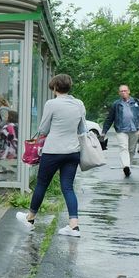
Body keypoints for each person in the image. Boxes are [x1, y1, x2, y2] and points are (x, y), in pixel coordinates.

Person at [17, 74, 85, 237]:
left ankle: (30, 218)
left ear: (55, 88)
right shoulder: (79, 104)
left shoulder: (52, 104)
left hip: (53, 151)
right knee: (68, 187)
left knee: (42, 184)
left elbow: (43, 129)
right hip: (73, 151)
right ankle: (74, 226)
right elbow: (82, 128)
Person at [101, 84, 139, 177]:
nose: (123, 92)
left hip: (134, 129)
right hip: (121, 130)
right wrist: (104, 132)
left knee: (131, 150)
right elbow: (109, 119)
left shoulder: (136, 102)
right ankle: (126, 166)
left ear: (129, 91)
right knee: (123, 148)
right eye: (121, 91)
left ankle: (128, 166)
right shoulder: (116, 104)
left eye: (125, 91)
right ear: (119, 93)